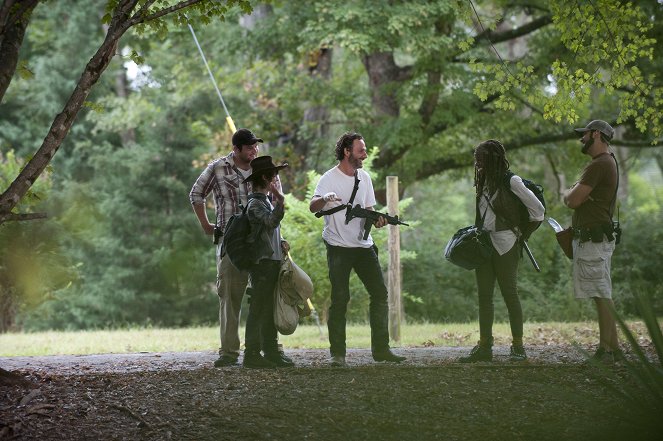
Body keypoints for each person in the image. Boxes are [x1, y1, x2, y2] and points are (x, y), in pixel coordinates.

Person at [189, 128, 290, 368]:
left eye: (256, 146)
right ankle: (229, 352)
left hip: (264, 244)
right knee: (230, 296)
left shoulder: (266, 170)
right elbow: (196, 194)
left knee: (264, 297)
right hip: (232, 242)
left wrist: (280, 238)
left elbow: (275, 208)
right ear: (236, 149)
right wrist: (206, 225)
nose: (255, 150)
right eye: (250, 147)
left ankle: (270, 348)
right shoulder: (218, 167)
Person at [309, 132, 406, 367]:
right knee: (340, 298)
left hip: (364, 246)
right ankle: (338, 354)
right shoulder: (328, 178)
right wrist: (326, 199)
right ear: (346, 151)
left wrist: (378, 221)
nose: (364, 154)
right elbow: (313, 206)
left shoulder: (365, 178)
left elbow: (369, 209)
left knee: (380, 295)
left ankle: (381, 350)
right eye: (361, 150)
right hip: (338, 246)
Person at [459, 140, 545, 363]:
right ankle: (485, 347)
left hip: (507, 244)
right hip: (484, 245)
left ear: (493, 159)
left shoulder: (512, 180)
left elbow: (538, 212)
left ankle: (518, 347)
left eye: (481, 159)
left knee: (510, 295)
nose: (477, 164)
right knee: (484, 297)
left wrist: (522, 235)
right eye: (476, 159)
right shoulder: (483, 181)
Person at [563, 120, 622, 362]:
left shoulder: (599, 165)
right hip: (597, 238)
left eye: (584, 134)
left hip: (594, 240)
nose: (581, 139)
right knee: (602, 292)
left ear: (596, 134)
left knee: (601, 294)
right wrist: (577, 191)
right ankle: (615, 350)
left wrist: (571, 190)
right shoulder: (607, 162)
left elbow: (572, 200)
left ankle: (605, 351)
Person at [241, 156, 293, 368]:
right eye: (274, 176)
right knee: (259, 308)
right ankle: (251, 354)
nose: (276, 179)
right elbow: (270, 222)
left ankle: (271, 350)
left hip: (271, 261)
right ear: (265, 178)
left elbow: (267, 231)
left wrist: (280, 242)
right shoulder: (255, 203)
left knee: (268, 307)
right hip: (262, 264)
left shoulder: (263, 202)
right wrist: (281, 200)